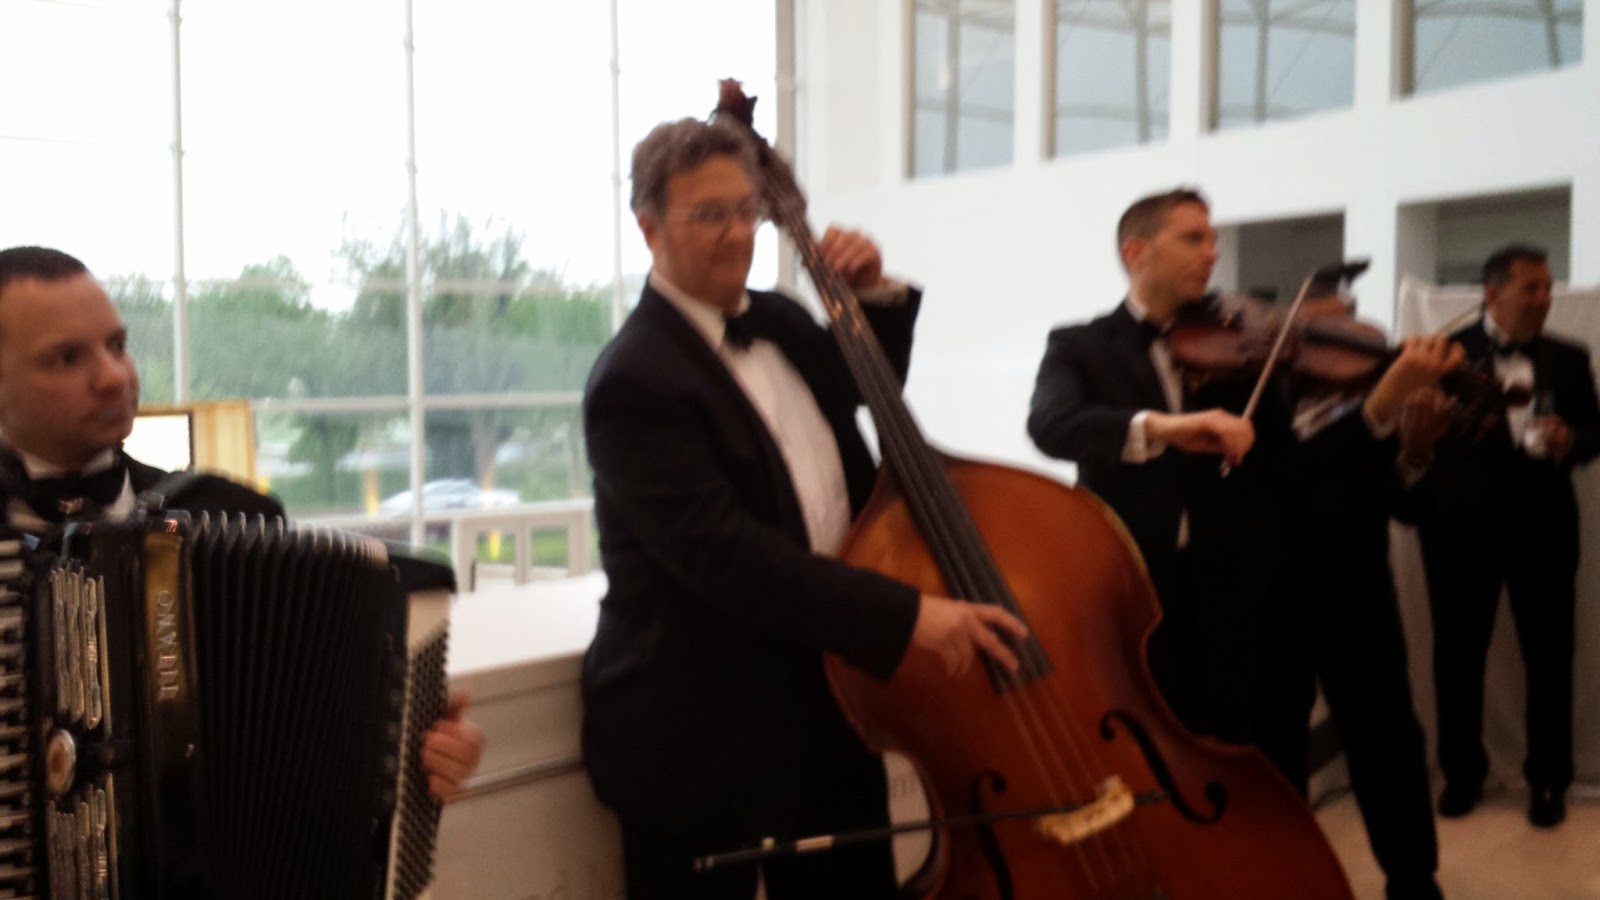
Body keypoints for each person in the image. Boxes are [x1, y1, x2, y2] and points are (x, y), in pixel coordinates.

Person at [580, 116, 1026, 899]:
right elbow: (731, 557)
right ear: (649, 229)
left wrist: (872, 292)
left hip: (827, 705)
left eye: (745, 210)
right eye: (709, 215)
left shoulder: (779, 318)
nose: (737, 234)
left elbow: (865, 384)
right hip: (697, 733)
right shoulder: (633, 381)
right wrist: (911, 616)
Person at [0, 244, 484, 805]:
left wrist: (425, 750)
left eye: (117, 346)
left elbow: (329, 722)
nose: (113, 377)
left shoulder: (233, 514)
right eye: (66, 358)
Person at [1027, 187, 1287, 750]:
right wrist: (1161, 428)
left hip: (1230, 583)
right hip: (1132, 584)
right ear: (1136, 253)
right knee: (1146, 743)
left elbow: (1278, 452)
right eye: (1193, 239)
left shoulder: (1234, 340)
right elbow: (1050, 425)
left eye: (1213, 239)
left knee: (1235, 742)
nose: (1212, 252)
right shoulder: (1080, 345)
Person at [1256, 275, 1458, 900]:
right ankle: (1287, 875)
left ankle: (1413, 876)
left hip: (1357, 599)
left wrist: (1417, 453)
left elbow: (1408, 506)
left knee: (1389, 741)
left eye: (1348, 327)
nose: (1339, 344)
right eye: (1320, 330)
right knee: (1273, 748)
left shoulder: (1374, 403)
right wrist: (1377, 413)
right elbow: (1295, 480)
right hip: (1266, 603)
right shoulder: (1254, 400)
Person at [1406, 243, 1600, 828]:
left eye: (1548, 288)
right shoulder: (1444, 355)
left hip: (1545, 528)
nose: (1544, 298)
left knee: (1551, 657)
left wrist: (1570, 441)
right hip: (1459, 529)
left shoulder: (1569, 357)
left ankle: (1549, 779)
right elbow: (1422, 438)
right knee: (1456, 656)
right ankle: (1462, 773)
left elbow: (1594, 434)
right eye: (1531, 288)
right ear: (1492, 294)